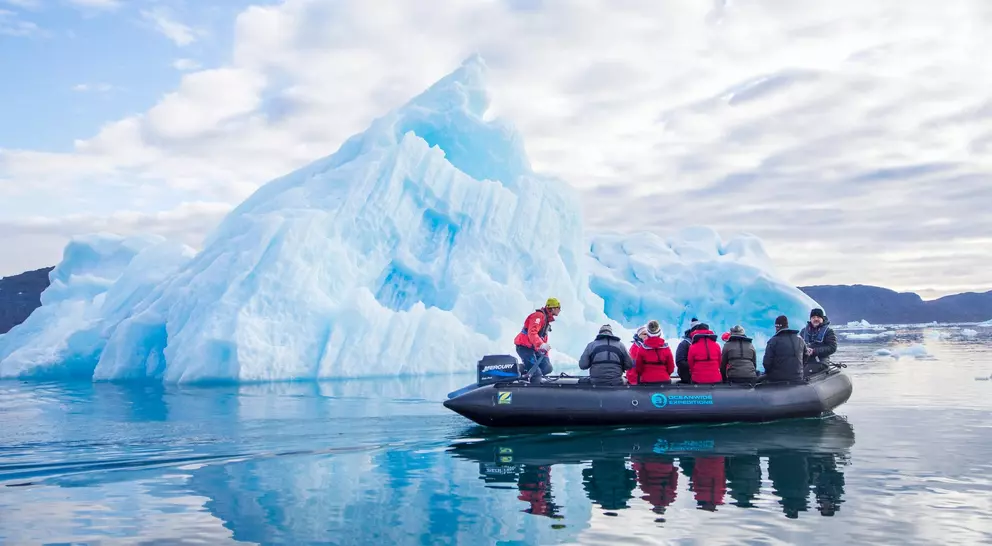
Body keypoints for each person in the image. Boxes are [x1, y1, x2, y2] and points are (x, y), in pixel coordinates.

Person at [513, 298, 560, 383]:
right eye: (558, 307)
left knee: (547, 368)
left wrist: (544, 353)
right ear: (552, 308)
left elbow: (543, 340)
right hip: (524, 347)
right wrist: (541, 345)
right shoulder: (538, 316)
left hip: (534, 348)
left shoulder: (546, 321)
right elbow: (532, 333)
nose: (559, 310)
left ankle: (523, 373)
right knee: (536, 373)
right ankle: (528, 382)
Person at [761, 315, 805, 383]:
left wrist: (768, 372)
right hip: (798, 377)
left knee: (760, 379)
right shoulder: (800, 339)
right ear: (787, 326)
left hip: (778, 379)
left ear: (777, 327)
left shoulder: (773, 341)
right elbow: (806, 356)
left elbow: (766, 363)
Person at [634, 320, 675, 384]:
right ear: (659, 333)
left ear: (648, 333)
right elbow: (671, 367)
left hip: (646, 381)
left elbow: (638, 368)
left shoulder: (642, 348)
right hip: (664, 380)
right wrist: (664, 374)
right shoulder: (666, 347)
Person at [800, 308, 838, 378]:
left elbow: (832, 347)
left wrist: (814, 351)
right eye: (813, 317)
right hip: (804, 361)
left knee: (804, 374)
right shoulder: (803, 331)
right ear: (810, 319)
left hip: (820, 361)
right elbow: (798, 345)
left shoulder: (829, 332)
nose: (816, 319)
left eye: (818, 317)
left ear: (822, 318)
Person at [675, 317, 701, 383]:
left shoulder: (684, 343)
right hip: (688, 377)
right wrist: (696, 366)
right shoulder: (685, 343)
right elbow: (680, 362)